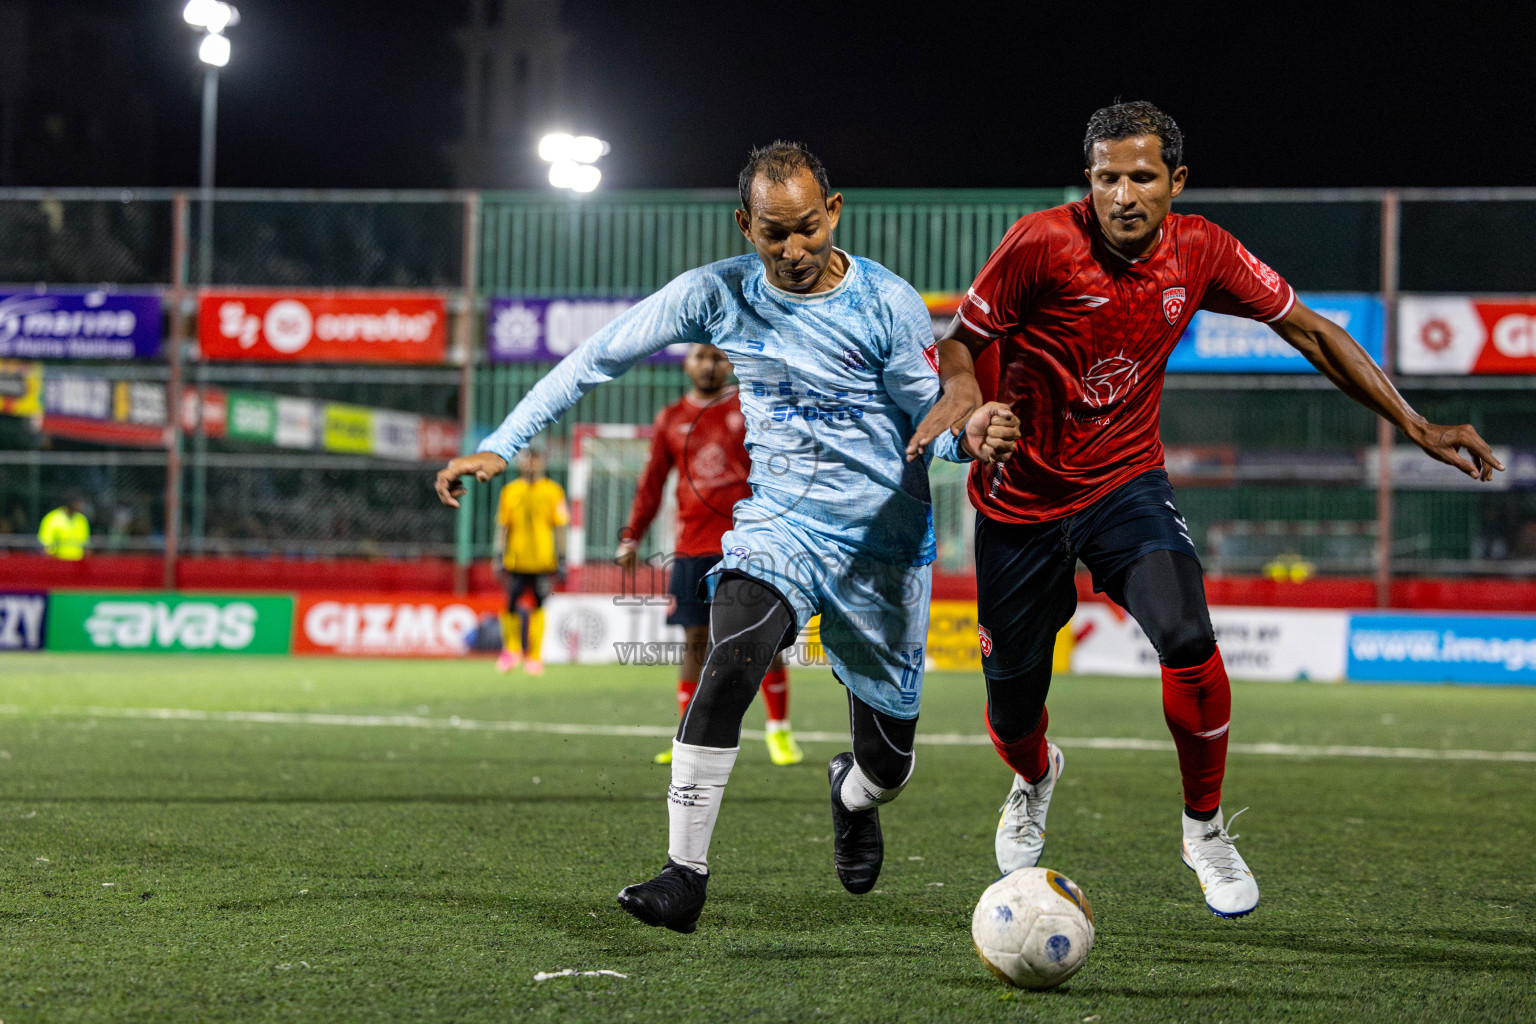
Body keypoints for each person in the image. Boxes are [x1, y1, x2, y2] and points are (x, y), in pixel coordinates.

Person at [912, 101, 1504, 919]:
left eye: (1143, 177)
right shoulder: (1042, 241)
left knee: (1189, 637)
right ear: (1087, 181)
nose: (1123, 194)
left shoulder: (1203, 251)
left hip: (1125, 483)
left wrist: (1416, 424)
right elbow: (960, 340)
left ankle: (1205, 829)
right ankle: (1035, 775)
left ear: (1176, 182)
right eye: (1107, 177)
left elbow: (1312, 332)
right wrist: (972, 403)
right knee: (1012, 705)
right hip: (1021, 502)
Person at [437, 140, 1019, 933]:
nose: (793, 250)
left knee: (889, 763)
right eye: (774, 233)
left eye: (808, 228)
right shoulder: (714, 295)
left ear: (834, 213)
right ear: (745, 225)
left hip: (884, 545)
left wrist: (972, 436)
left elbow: (933, 420)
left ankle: (853, 792)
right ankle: (685, 874)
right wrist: (502, 443)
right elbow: (592, 358)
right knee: (730, 656)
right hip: (779, 526)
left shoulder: (887, 302)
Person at [617, 341, 803, 768]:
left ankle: (779, 731)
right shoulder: (671, 419)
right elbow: (651, 485)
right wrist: (631, 537)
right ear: (687, 364)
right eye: (701, 356)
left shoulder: (751, 406)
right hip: (693, 547)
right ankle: (687, 731)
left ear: (730, 363)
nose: (709, 364)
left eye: (718, 356)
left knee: (763, 639)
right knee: (695, 642)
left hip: (750, 542)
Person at [494, 448, 570, 676]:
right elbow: (503, 525)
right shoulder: (510, 490)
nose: (530, 465)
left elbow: (560, 526)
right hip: (516, 558)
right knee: (510, 603)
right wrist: (498, 554)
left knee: (538, 603)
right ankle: (512, 650)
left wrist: (562, 557)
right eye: (527, 460)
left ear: (542, 463)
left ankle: (535, 656)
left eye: (535, 460)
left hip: (543, 560)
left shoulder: (553, 491)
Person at [38, 495, 90, 560]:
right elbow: (45, 547)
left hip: (77, 564)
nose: (81, 505)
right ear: (70, 503)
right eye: (77, 503)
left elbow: (85, 545)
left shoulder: (82, 520)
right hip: (58, 563)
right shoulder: (52, 519)